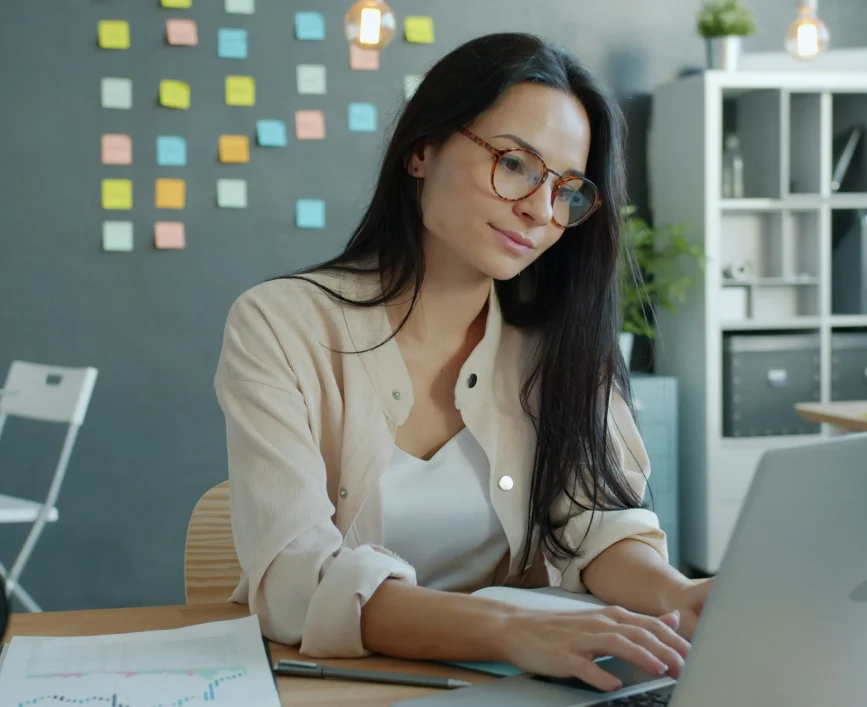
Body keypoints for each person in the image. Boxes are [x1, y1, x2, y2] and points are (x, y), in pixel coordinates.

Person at [214, 31, 712, 693]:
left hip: (525, 688)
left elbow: (597, 525)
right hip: (340, 689)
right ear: (422, 150)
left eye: (566, 190)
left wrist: (676, 595)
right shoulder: (281, 324)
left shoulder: (559, 341)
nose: (539, 209)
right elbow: (293, 579)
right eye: (515, 164)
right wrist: (510, 627)